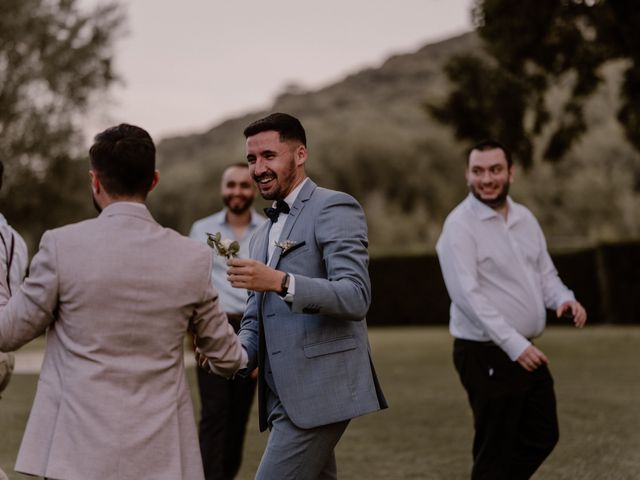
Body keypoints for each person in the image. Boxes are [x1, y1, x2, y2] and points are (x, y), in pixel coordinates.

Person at [0, 124, 246, 480]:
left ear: (95, 180)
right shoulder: (192, 258)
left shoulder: (60, 246)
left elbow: (7, 333)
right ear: (154, 180)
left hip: (74, 452)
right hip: (159, 456)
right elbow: (228, 359)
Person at [226, 112, 387, 479]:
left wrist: (282, 282)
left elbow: (356, 295)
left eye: (269, 155)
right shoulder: (260, 234)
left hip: (321, 390)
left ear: (300, 155)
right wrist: (231, 353)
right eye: (252, 159)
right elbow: (255, 317)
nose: (258, 168)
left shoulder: (334, 206)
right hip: (281, 396)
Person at [436, 139, 587, 480]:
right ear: (467, 175)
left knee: (543, 433)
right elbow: (468, 298)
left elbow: (545, 273)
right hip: (484, 353)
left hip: (522, 348)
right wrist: (516, 346)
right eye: (478, 171)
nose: (486, 178)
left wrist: (563, 298)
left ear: (510, 173)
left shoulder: (525, 218)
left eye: (494, 170)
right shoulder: (459, 226)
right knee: (495, 448)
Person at [189, 163, 263, 480]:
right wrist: (197, 334)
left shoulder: (270, 230)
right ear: (223, 188)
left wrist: (262, 346)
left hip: (253, 328)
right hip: (213, 327)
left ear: (254, 189)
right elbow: (193, 285)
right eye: (231, 185)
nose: (237, 191)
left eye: (244, 185)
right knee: (214, 414)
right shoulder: (200, 230)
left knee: (237, 417)